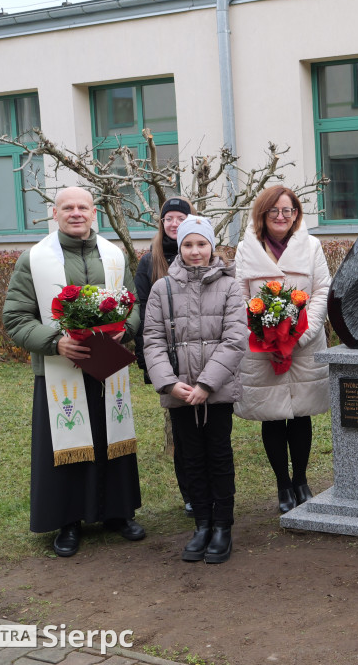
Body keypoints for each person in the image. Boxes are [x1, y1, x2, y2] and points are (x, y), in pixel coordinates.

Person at [2, 186, 144, 558]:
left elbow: (134, 305)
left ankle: (118, 512)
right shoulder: (33, 260)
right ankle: (69, 522)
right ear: (55, 213)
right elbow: (16, 318)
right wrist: (56, 342)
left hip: (107, 365)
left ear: (94, 213)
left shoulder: (113, 256)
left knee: (109, 437)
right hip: (58, 371)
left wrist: (124, 329)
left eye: (83, 207)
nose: (76, 213)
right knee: (67, 444)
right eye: (68, 207)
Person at [143, 215, 247, 563]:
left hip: (215, 393)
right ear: (179, 247)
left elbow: (234, 339)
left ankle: (222, 526)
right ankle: (202, 523)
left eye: (201, 243)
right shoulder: (162, 289)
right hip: (180, 393)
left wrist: (206, 384)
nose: (195, 250)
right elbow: (153, 341)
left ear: (211, 247)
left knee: (218, 455)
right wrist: (171, 384)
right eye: (188, 244)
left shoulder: (231, 286)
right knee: (191, 459)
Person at [234, 185, 331, 513]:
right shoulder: (246, 248)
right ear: (262, 214)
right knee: (272, 416)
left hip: (303, 344)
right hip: (262, 347)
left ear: (296, 214)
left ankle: (302, 479)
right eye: (274, 211)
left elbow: (321, 291)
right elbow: (238, 297)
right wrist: (264, 335)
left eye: (288, 211)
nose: (281, 217)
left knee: (301, 415)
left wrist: (300, 334)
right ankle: (282, 484)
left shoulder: (311, 245)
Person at [134, 196, 193, 515]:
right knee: (181, 432)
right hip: (168, 361)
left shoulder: (201, 252)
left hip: (202, 352)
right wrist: (149, 363)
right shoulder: (149, 261)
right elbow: (142, 314)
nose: (173, 223)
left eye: (179, 218)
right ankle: (190, 494)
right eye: (168, 218)